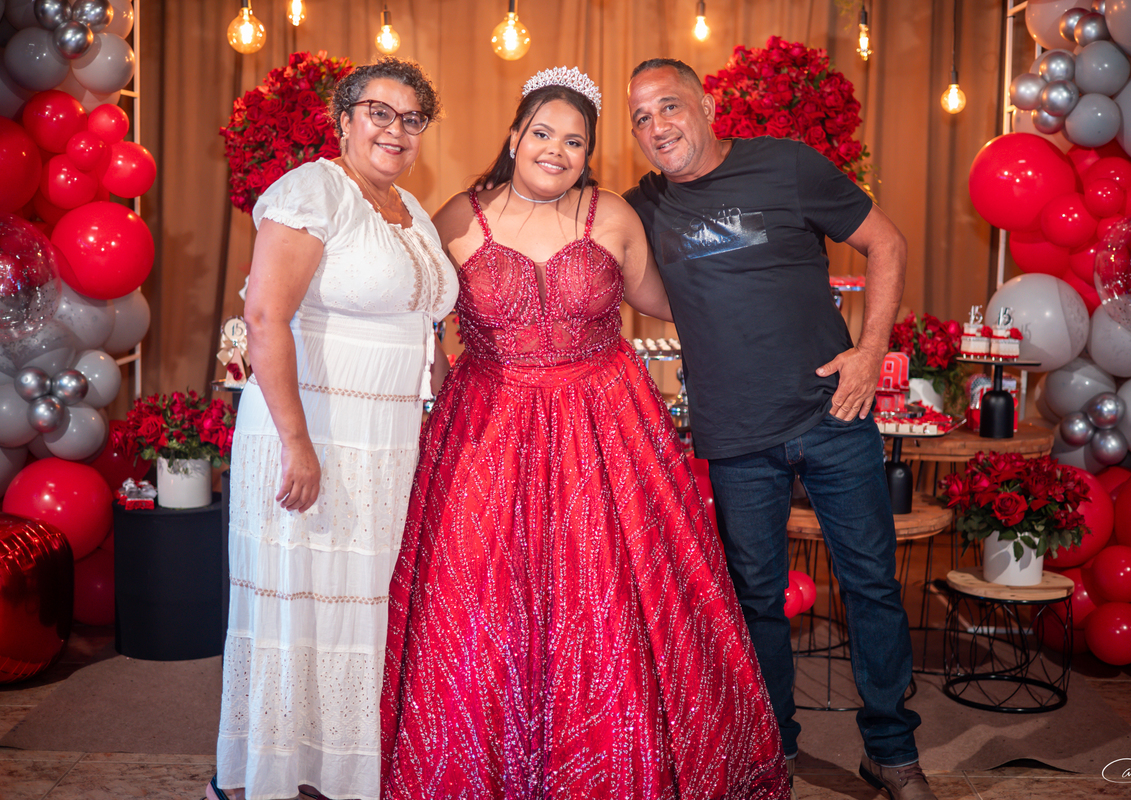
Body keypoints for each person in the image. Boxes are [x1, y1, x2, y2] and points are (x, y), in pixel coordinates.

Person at [379, 67, 788, 799]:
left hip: (605, 428)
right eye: (543, 133)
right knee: (478, 596)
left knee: (609, 600)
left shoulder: (613, 216)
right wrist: (426, 373)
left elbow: (672, 302)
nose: (556, 150)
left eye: (574, 141)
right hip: (488, 429)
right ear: (514, 137)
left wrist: (760, 277)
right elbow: (416, 309)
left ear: (588, 154)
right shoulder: (458, 217)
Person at [624, 59, 934, 800]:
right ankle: (773, 750)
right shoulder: (643, 207)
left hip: (834, 413)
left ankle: (892, 751)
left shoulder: (786, 165)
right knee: (756, 599)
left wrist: (871, 352)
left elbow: (887, 243)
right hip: (735, 434)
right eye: (640, 117)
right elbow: (632, 276)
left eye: (669, 106)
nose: (657, 126)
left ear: (706, 105)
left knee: (871, 585)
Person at [210, 58, 458, 800]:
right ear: (343, 119)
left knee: (357, 608)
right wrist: (297, 443)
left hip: (382, 444)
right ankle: (260, 779)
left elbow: (421, 323)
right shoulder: (313, 190)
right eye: (379, 112)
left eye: (411, 118)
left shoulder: (410, 211)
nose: (396, 130)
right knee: (296, 607)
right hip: (311, 431)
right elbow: (265, 317)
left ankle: (334, 773)